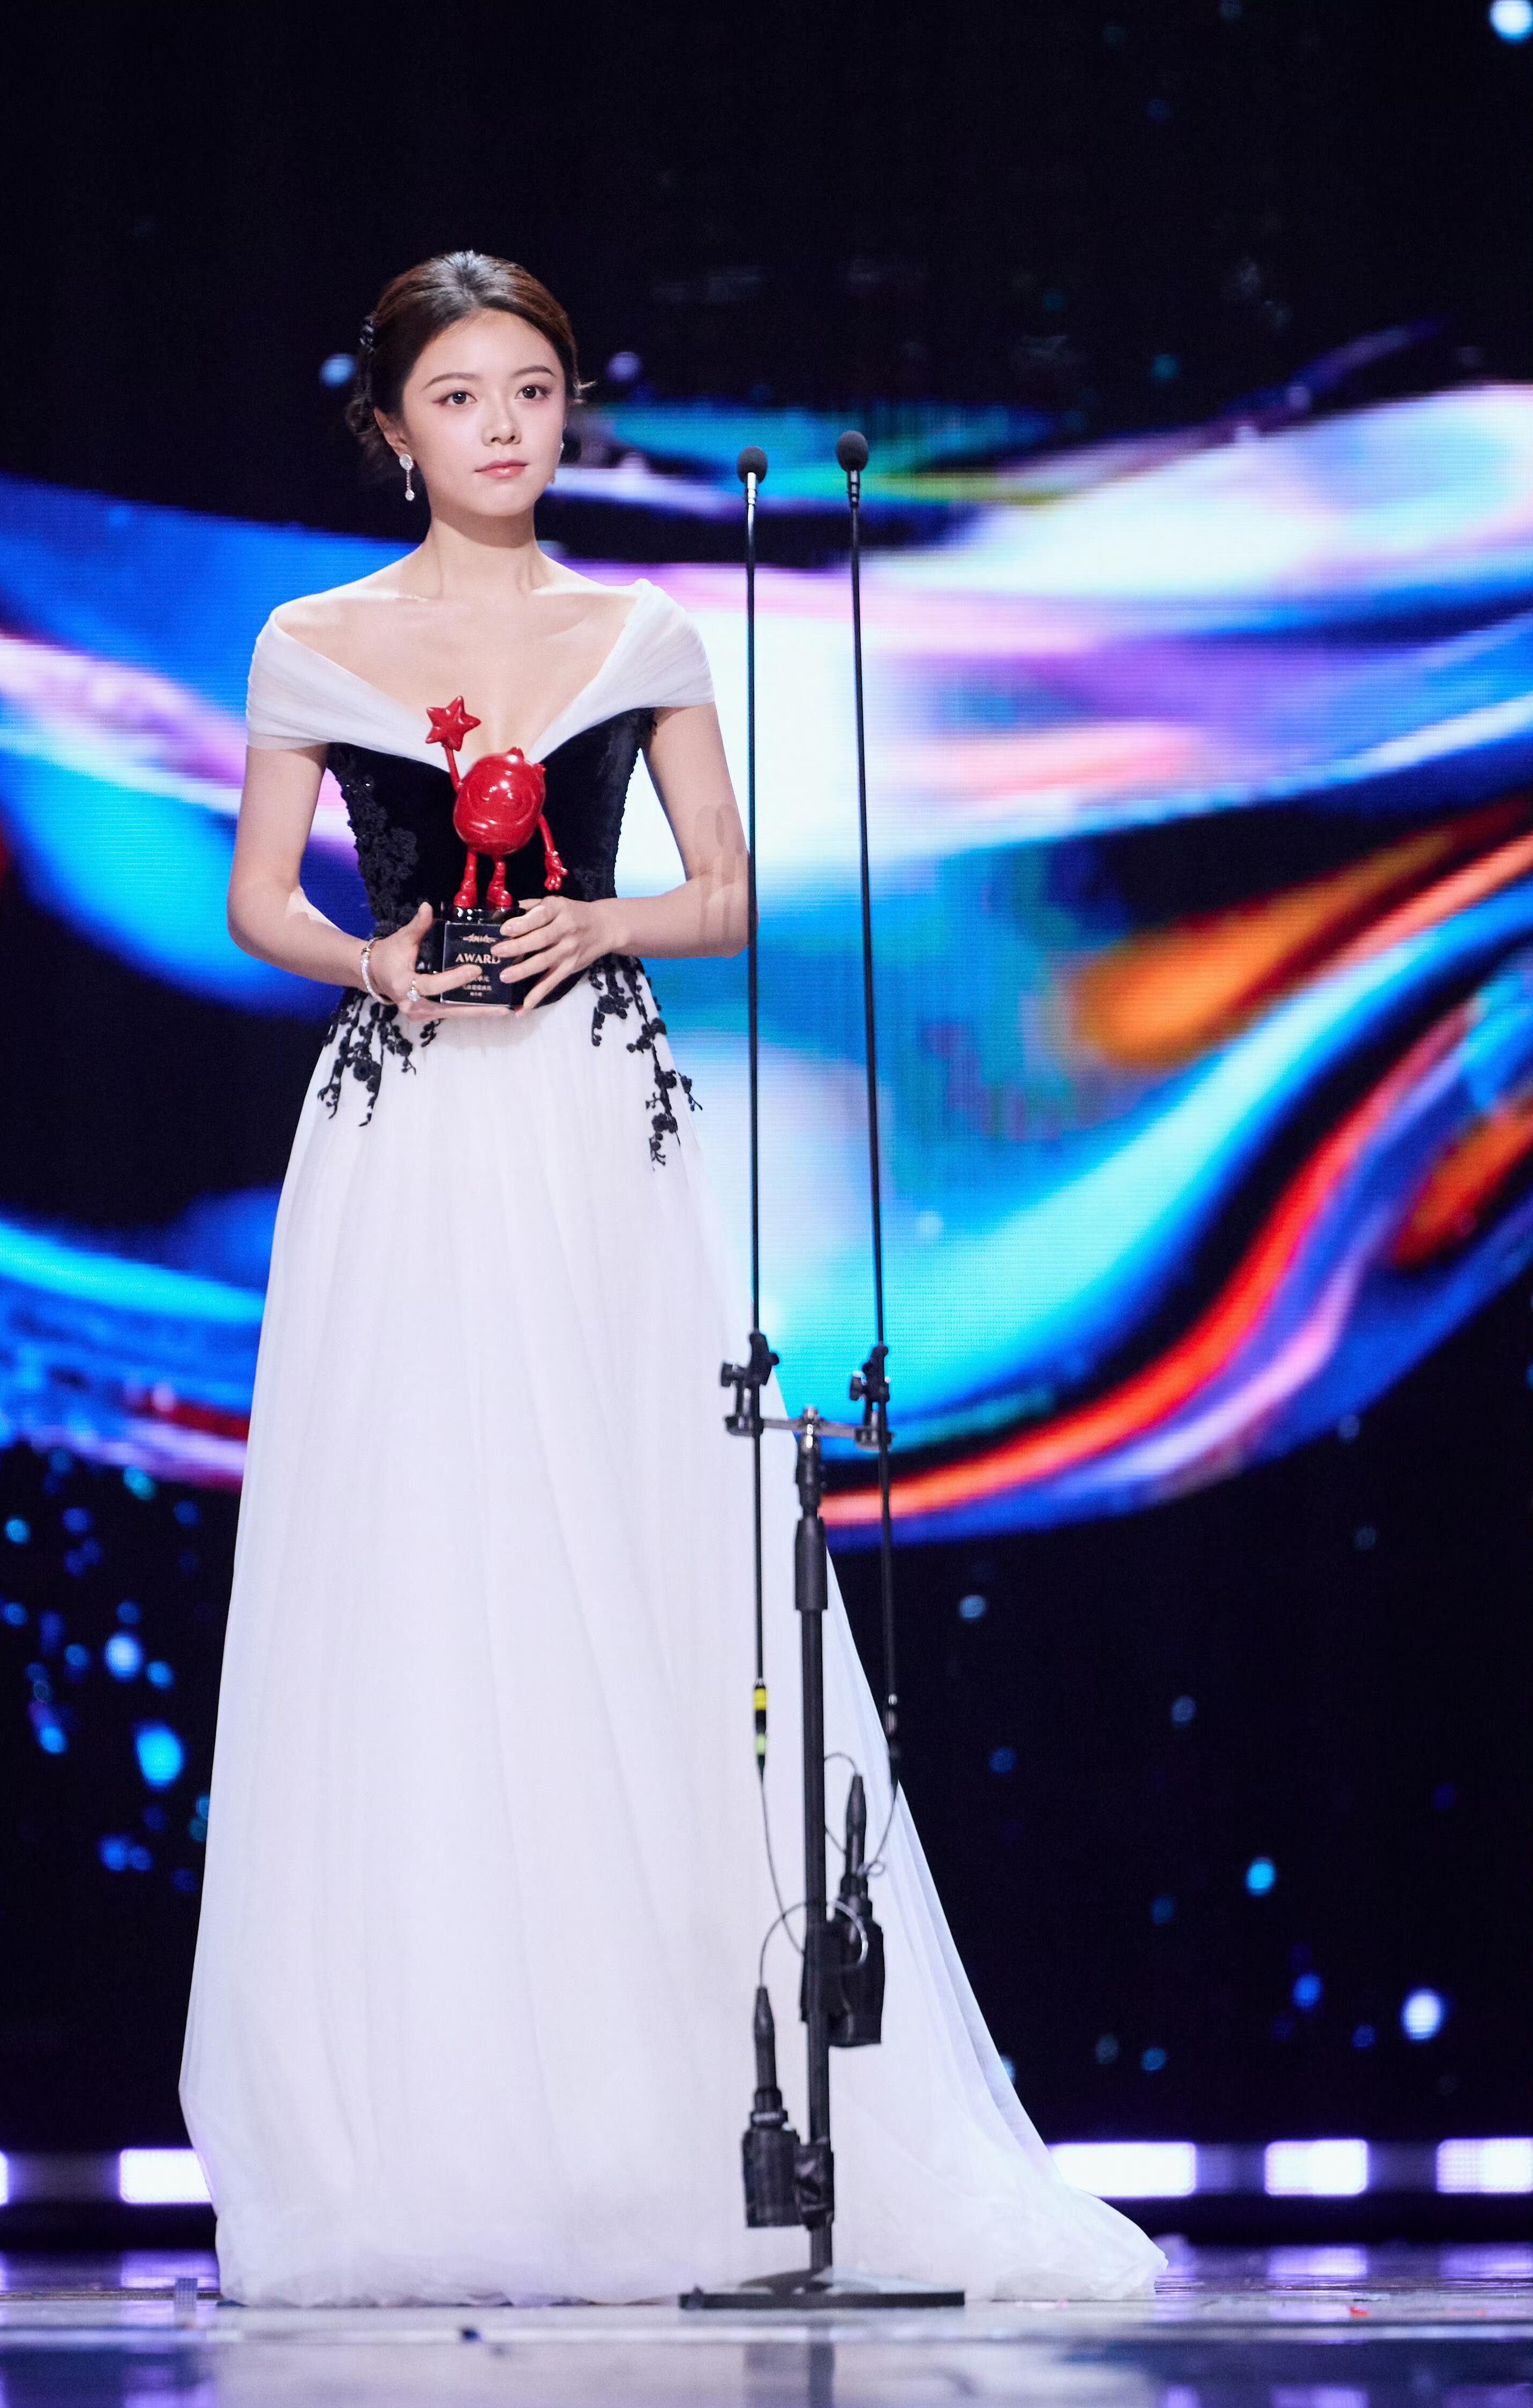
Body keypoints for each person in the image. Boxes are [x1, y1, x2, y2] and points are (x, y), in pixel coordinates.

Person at [179, 249, 1164, 2308]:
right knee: (415, 1565)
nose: (503, 426)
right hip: (406, 1131)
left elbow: (724, 890)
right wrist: (371, 956)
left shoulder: (637, 631)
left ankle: (678, 2116)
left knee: (641, 1555)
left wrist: (600, 920)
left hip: (591, 1123)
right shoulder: (310, 640)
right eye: (461, 395)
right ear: (393, 426)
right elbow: (261, 895)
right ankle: (423, 2124)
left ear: (570, 412)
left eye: (532, 390)